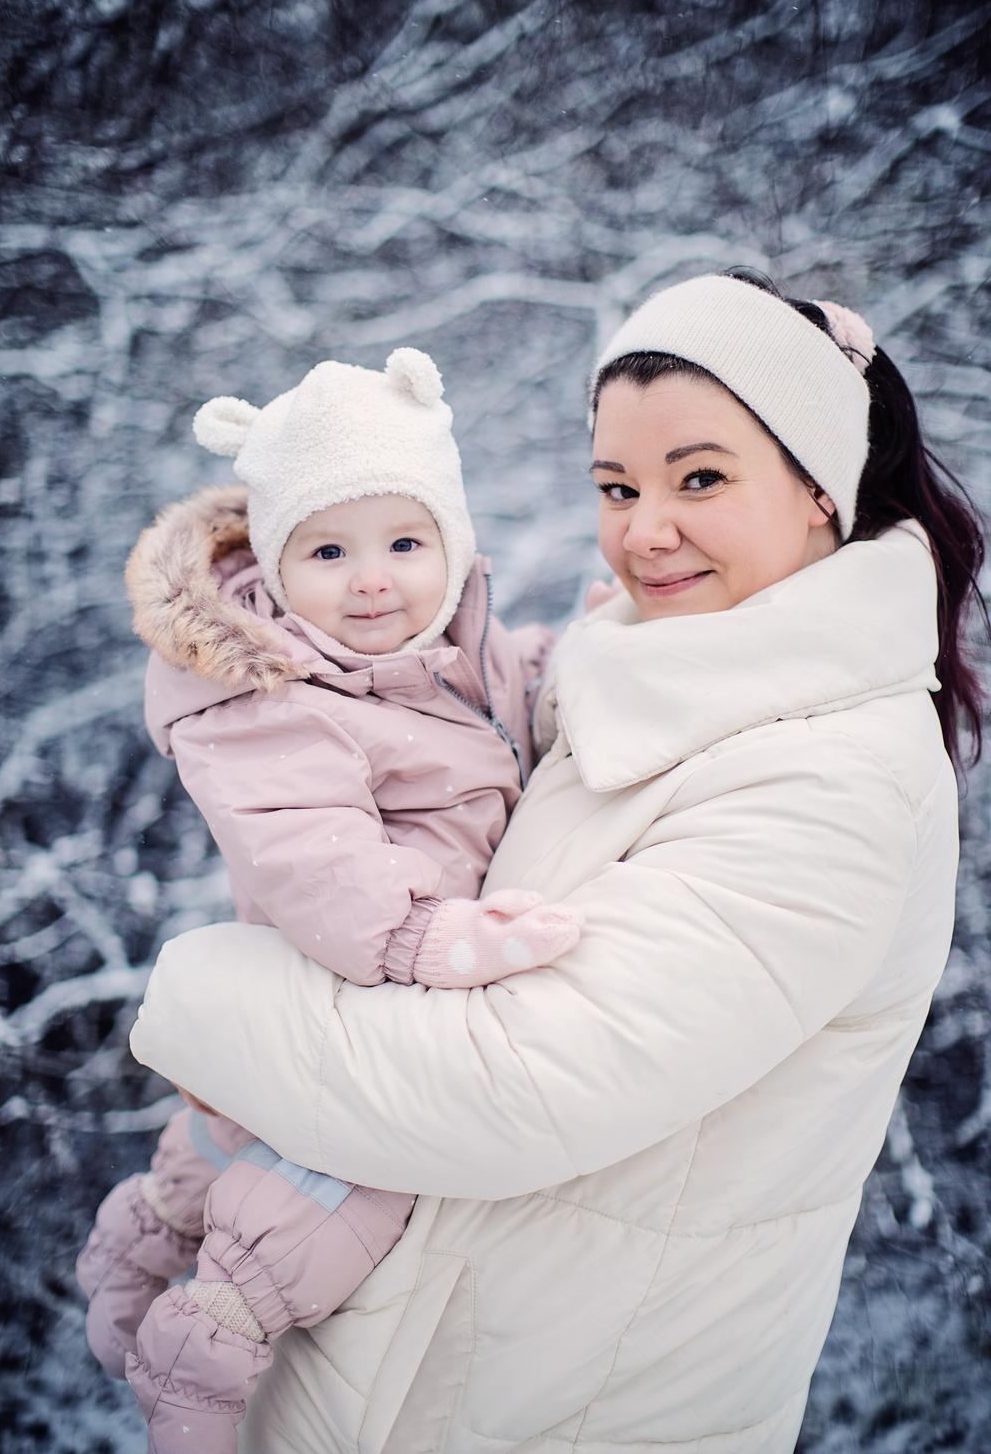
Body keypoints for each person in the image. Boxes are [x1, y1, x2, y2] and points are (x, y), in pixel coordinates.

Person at [127, 270, 987, 1454]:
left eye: (699, 478)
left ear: (817, 490)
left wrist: (195, 997)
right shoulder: (639, 669)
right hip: (415, 1367)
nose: (644, 529)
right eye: (617, 486)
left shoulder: (834, 780)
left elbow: (502, 1087)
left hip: (560, 1413)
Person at [77, 346, 582, 1452]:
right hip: (348, 972)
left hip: (372, 978)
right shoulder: (268, 695)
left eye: (405, 543)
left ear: (450, 545)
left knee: (238, 1139)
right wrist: (422, 935)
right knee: (352, 1179)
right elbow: (309, 856)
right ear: (273, 562)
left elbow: (511, 687)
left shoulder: (454, 644)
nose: (372, 581)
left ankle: (144, 1236)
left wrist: (577, 656)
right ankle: (204, 1347)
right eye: (328, 551)